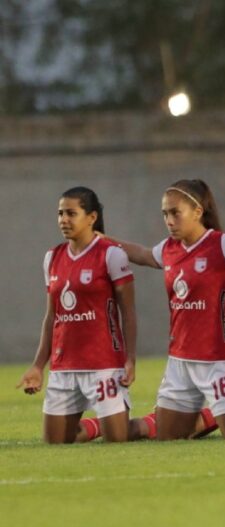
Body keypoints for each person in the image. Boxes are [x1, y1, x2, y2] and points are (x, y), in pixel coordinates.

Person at [111, 179, 225, 439]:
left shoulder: (224, 245)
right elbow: (143, 254)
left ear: (198, 212)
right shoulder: (168, 249)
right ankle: (218, 414)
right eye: (165, 213)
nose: (169, 220)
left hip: (218, 361)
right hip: (180, 361)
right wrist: (102, 242)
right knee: (168, 439)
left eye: (175, 212)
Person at [18, 187, 137, 443]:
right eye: (60, 213)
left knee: (118, 441)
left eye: (71, 213)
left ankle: (133, 423)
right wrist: (39, 365)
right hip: (64, 367)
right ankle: (95, 426)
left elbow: (127, 312)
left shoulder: (111, 254)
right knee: (55, 445)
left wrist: (130, 359)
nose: (63, 219)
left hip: (104, 365)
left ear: (91, 217)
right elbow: (52, 317)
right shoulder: (52, 257)